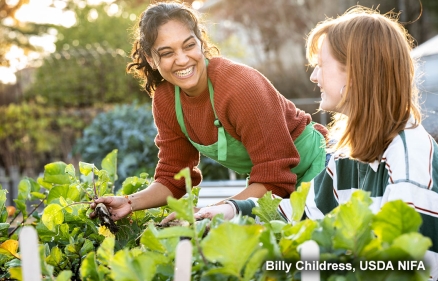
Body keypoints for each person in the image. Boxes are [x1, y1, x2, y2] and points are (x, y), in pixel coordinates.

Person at [194, 6, 438, 281]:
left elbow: (407, 272)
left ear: (355, 73)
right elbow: (298, 215)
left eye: (321, 65)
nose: (314, 77)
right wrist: (231, 211)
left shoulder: (410, 160)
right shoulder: (349, 156)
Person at [90, 1, 327, 224]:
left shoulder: (240, 87)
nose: (182, 60)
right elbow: (174, 176)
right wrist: (129, 202)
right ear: (152, 60)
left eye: (189, 45)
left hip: (319, 173)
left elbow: (274, 177)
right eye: (167, 53)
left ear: (201, 43)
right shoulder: (166, 100)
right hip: (268, 189)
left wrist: (210, 211)